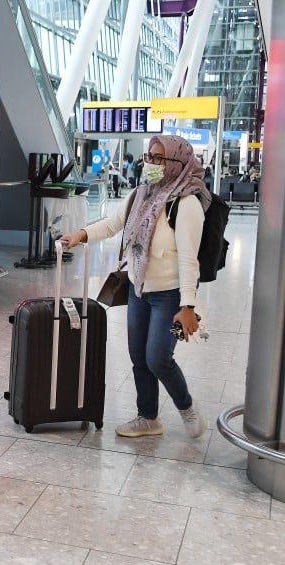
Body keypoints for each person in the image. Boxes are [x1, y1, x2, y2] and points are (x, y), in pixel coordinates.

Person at [61, 134, 208, 440]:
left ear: (177, 164)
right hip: (138, 288)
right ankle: (148, 417)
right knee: (138, 357)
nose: (151, 164)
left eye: (158, 158)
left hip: (169, 295)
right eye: (149, 157)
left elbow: (189, 260)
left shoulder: (186, 202)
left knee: (157, 358)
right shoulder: (140, 195)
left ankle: (186, 407)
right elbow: (112, 224)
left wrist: (188, 306)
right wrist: (80, 234)